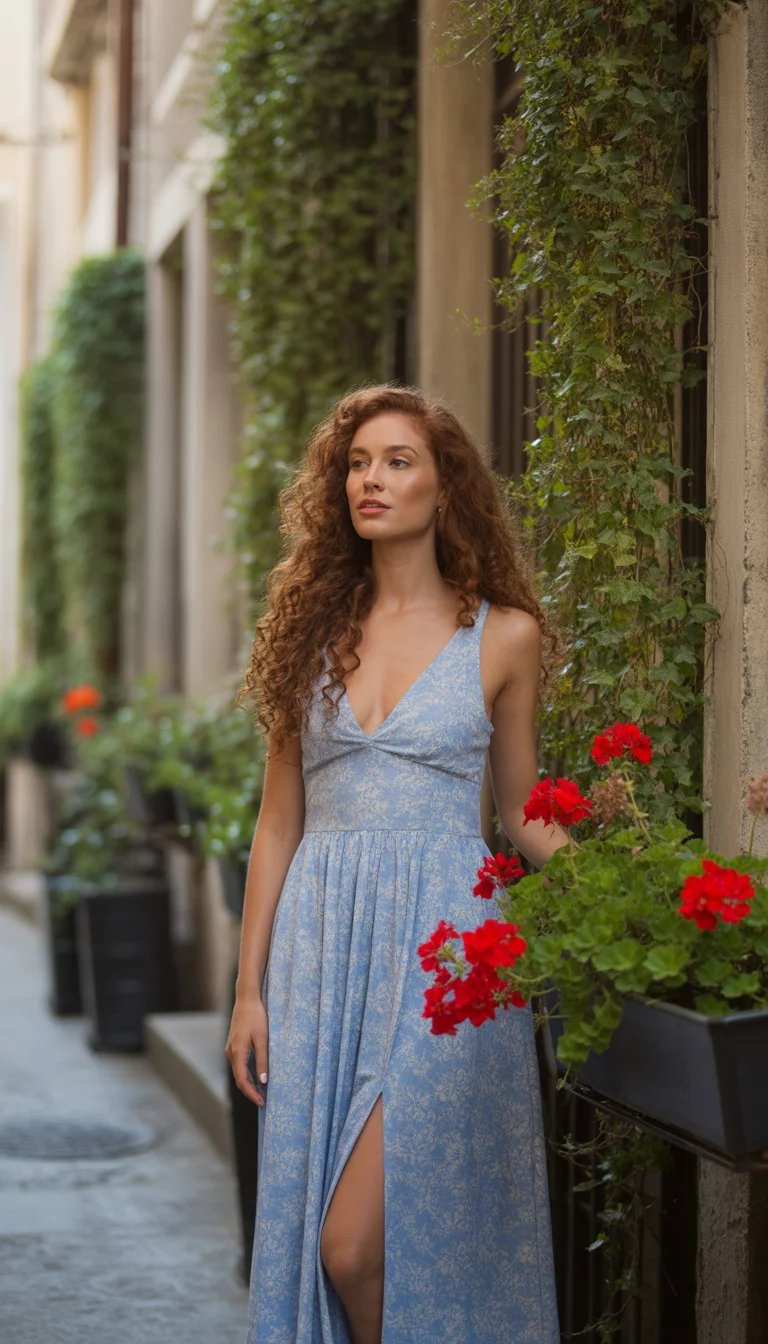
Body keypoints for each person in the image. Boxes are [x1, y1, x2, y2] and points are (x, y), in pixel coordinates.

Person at [226, 384, 569, 1344]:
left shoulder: (503, 634)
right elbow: (277, 824)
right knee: (338, 1240)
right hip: (324, 949)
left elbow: (520, 809)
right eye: (357, 463)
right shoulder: (307, 634)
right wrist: (248, 991)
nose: (371, 479)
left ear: (445, 486)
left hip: (454, 956)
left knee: (356, 1245)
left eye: (398, 460)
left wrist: (622, 900)